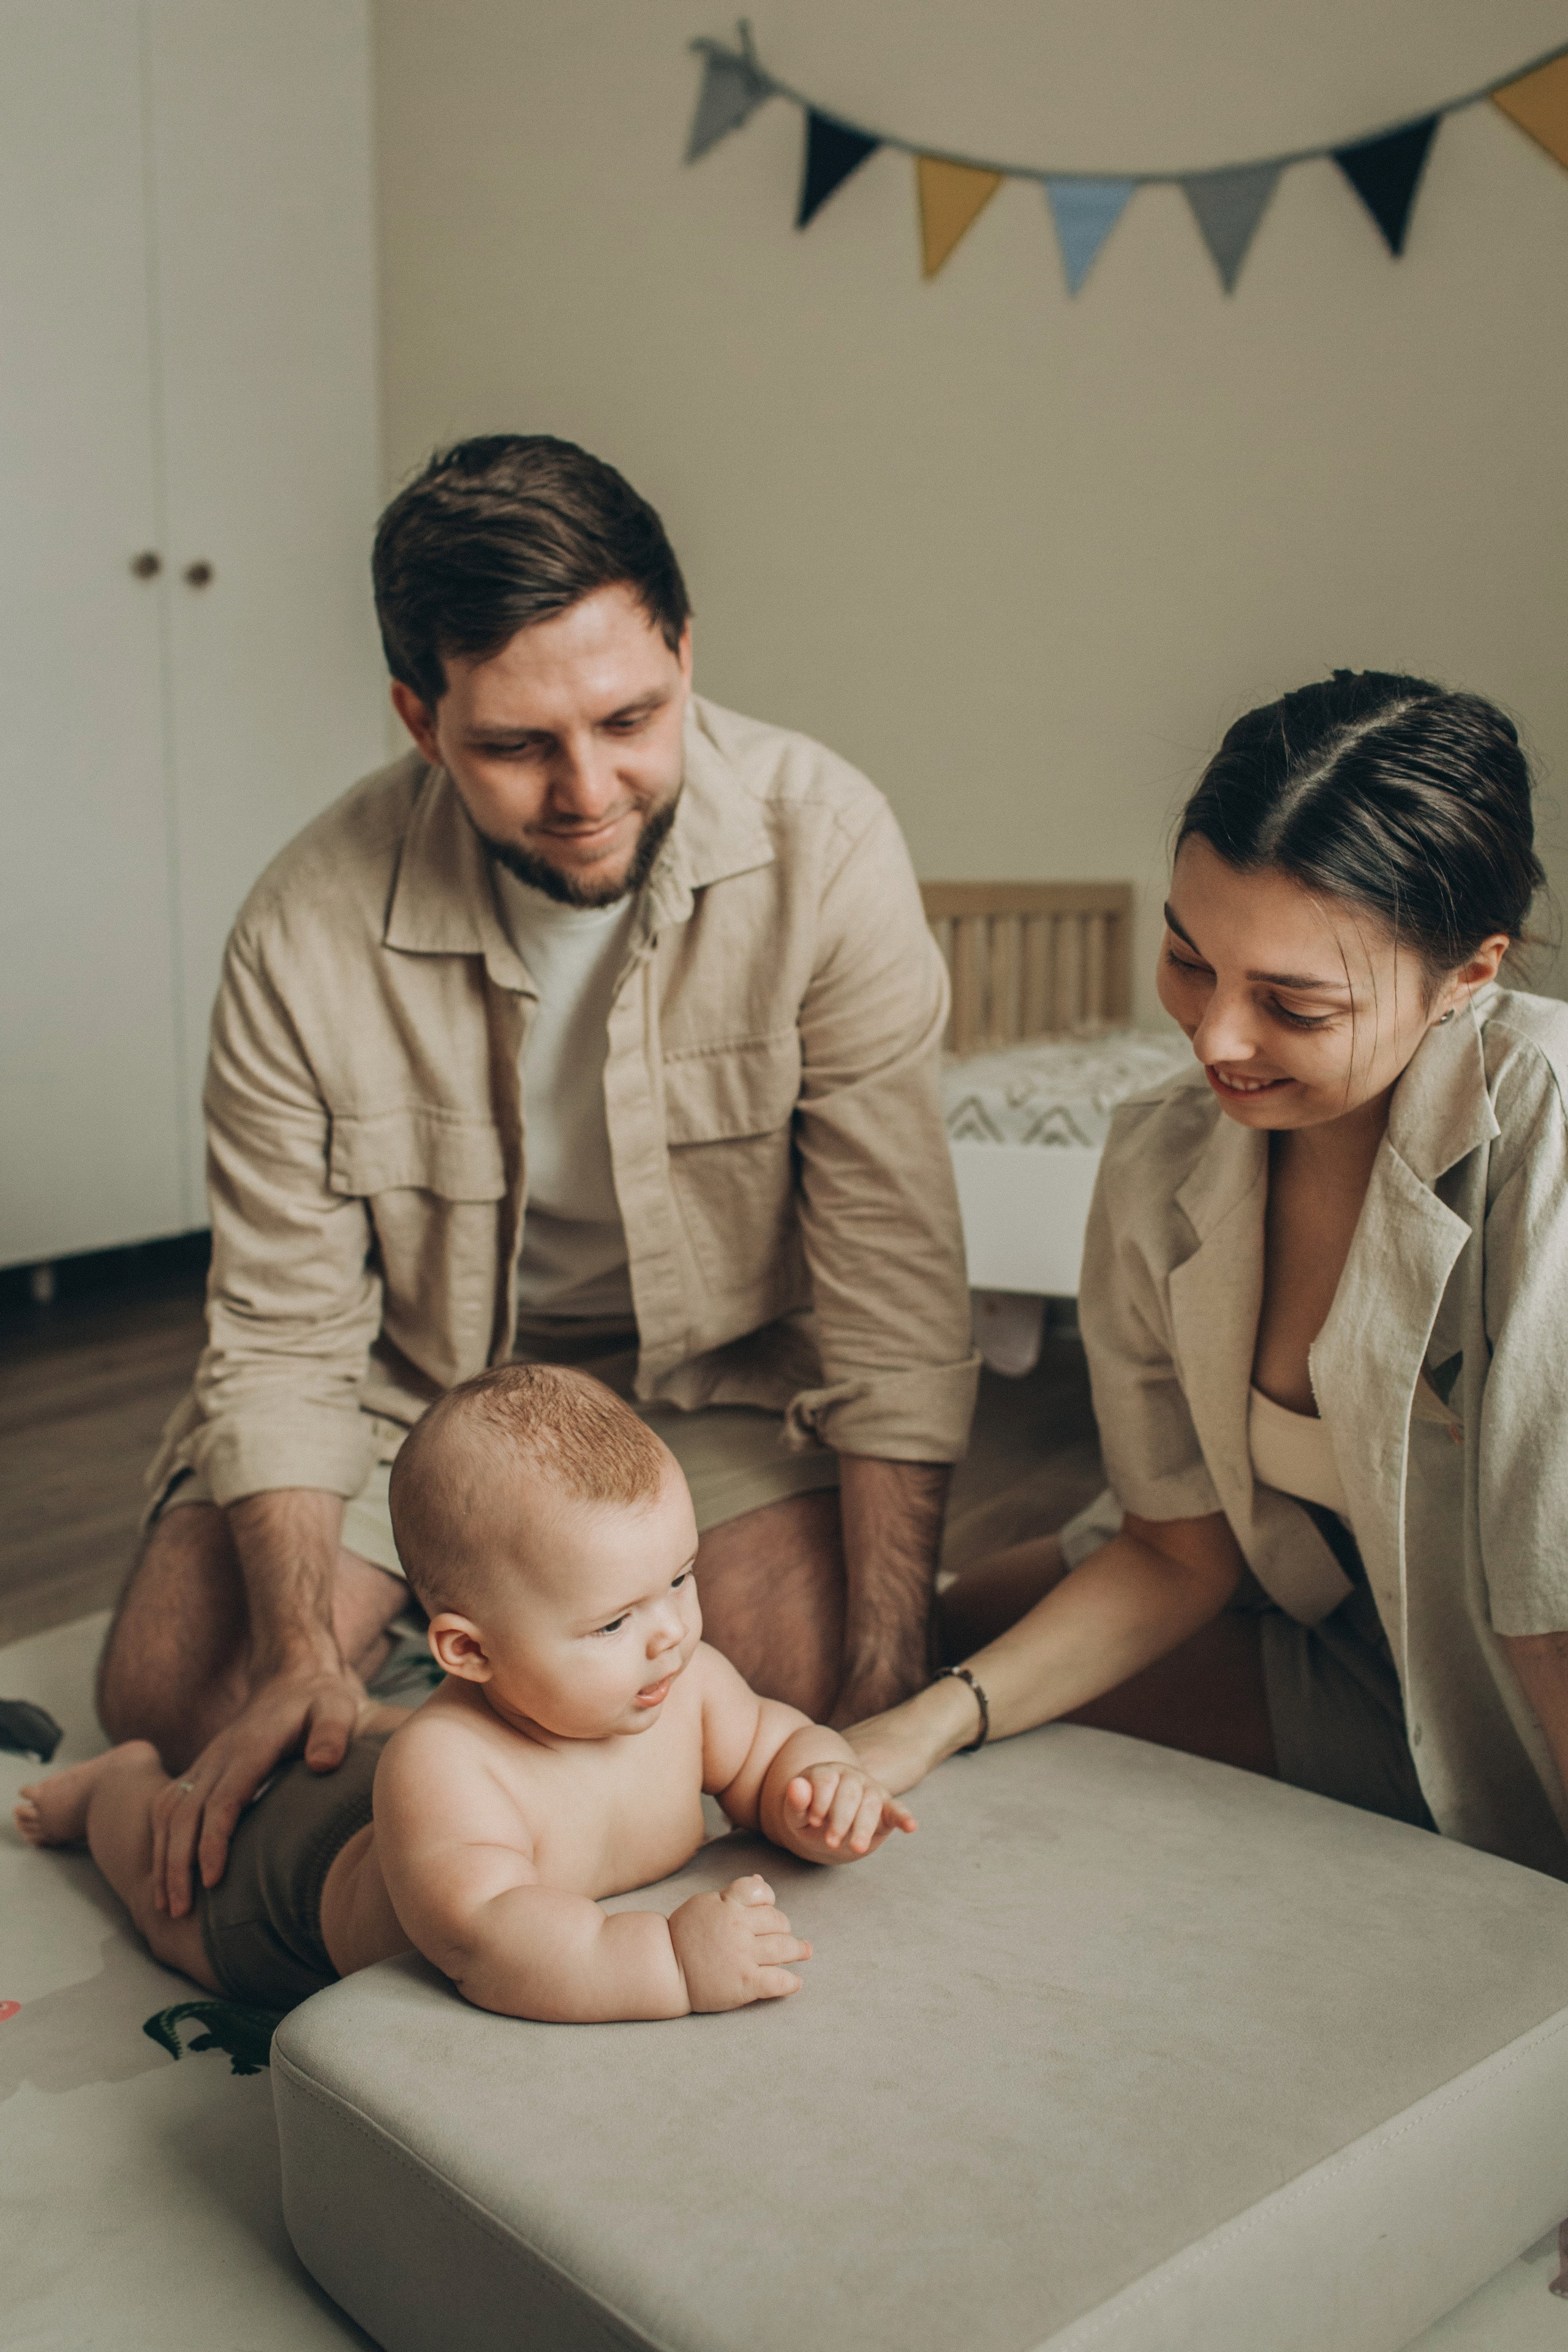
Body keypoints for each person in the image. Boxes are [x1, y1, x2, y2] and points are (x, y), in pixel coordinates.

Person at [94, 434, 976, 1921]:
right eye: (515, 746)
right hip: (417, 1391)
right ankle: (429, 1676)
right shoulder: (302, 930)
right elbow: (283, 1335)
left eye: (632, 718)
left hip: (707, 1391)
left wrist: (885, 1686)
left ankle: (468, 1696)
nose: (588, 790)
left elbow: (890, 1289)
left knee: (801, 1679)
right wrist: (304, 1653)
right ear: (418, 720)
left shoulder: (825, 848)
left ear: (686, 654)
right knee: (179, 1697)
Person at [851, 671, 1568, 1881]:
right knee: (952, 1640)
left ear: (1468, 977)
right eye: (1188, 961)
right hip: (1328, 1625)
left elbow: (1546, 1615)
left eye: (1292, 1005)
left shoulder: (1544, 1137)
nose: (1214, 1040)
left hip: (1512, 1672)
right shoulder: (1160, 1147)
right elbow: (1176, 1548)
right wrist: (913, 1729)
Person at [20, 1365, 914, 2019]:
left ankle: (359, 1715)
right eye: (612, 1623)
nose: (671, 1631)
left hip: (402, 1822)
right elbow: (498, 1943)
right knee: (164, 1888)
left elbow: (769, 1749)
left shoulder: (687, 1683)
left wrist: (818, 1787)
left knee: (375, 1759)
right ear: (468, 1652)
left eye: (679, 1578)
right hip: (286, 1892)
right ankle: (112, 1788)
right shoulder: (446, 1765)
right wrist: (673, 1962)